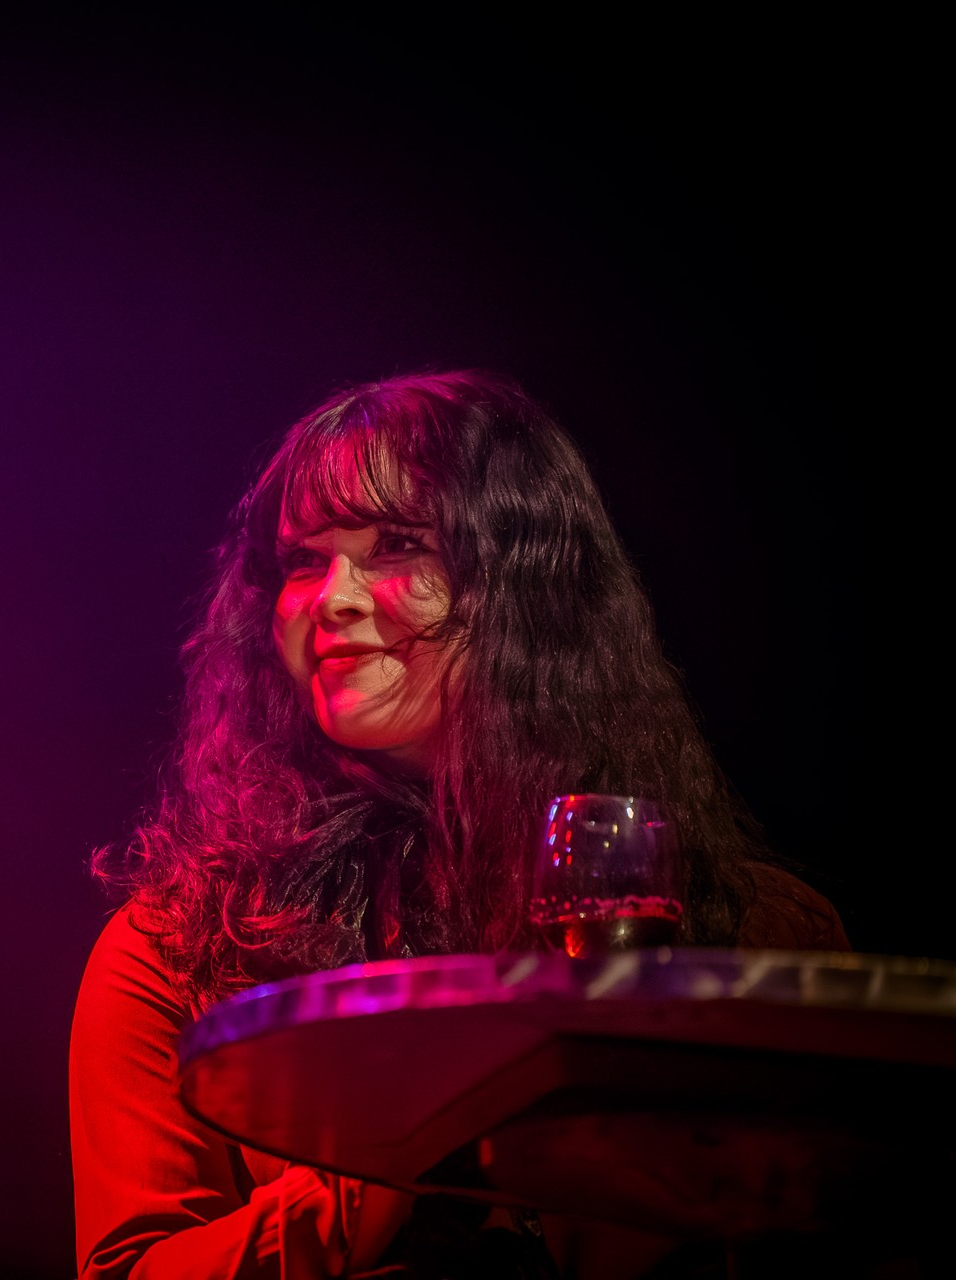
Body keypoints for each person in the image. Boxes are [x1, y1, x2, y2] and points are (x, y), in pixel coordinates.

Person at [70, 370, 846, 1279]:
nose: (333, 598)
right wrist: (381, 1168)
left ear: (526, 587)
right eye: (304, 561)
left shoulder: (762, 929)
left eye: (399, 545)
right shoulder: (183, 946)